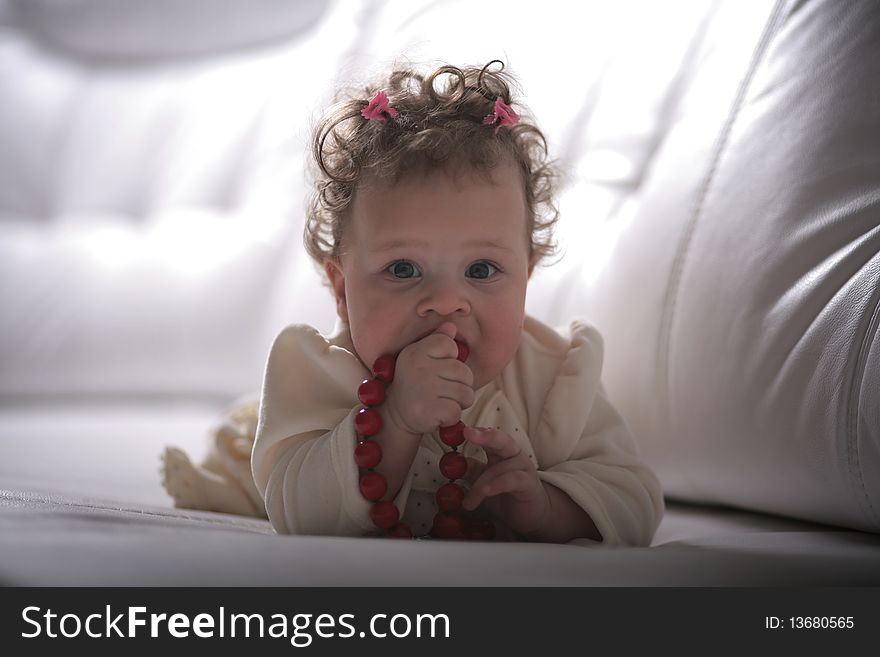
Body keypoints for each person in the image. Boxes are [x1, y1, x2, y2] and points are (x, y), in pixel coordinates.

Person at [162, 60, 664, 545]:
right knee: (239, 472)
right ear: (341, 288)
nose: (446, 302)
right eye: (403, 270)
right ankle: (246, 433)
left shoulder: (555, 378)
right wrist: (396, 420)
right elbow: (300, 513)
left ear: (527, 276)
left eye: (482, 270)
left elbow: (635, 500)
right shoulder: (318, 375)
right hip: (267, 454)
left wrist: (545, 507)